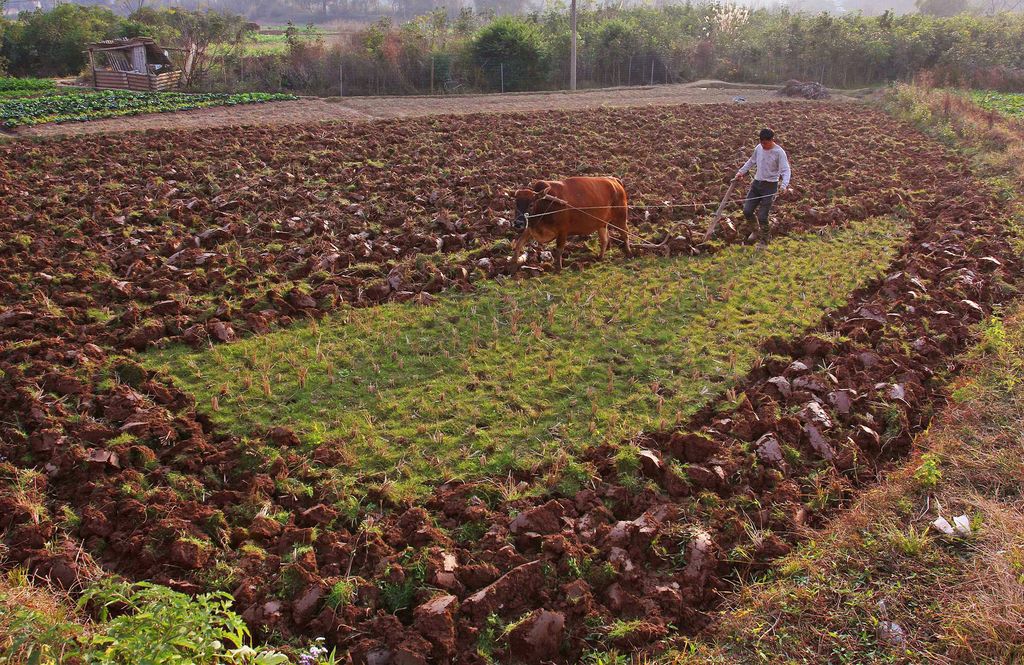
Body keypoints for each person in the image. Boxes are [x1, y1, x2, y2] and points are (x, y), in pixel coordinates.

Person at [733, 128, 791, 247]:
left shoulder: (779, 152)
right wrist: (741, 172)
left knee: (763, 215)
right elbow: (751, 161)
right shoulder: (759, 148)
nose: (763, 145)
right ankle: (755, 230)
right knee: (747, 210)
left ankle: (764, 241)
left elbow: (786, 170)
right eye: (761, 142)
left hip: (770, 186)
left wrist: (784, 185)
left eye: (766, 143)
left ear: (772, 140)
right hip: (756, 184)